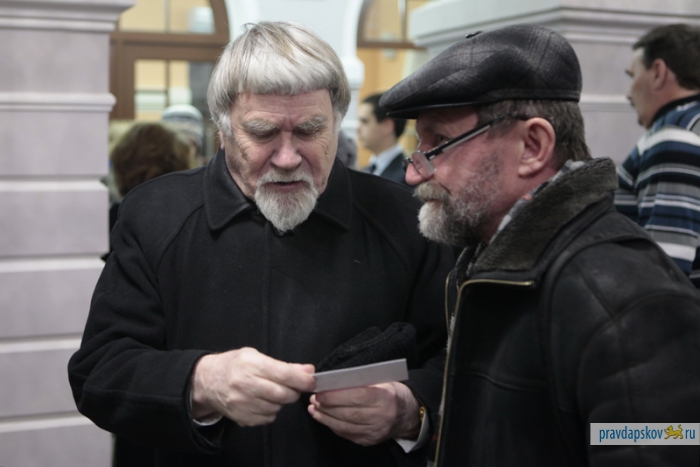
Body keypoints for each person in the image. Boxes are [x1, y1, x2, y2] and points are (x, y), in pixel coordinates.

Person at [68, 22, 453, 467]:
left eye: (309, 131)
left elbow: (458, 361)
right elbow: (99, 371)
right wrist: (202, 382)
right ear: (224, 129)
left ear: (337, 123)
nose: (287, 158)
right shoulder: (157, 216)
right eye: (263, 133)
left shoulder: (404, 219)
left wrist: (409, 410)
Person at [380, 24, 700, 466]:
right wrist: (411, 413)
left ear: (532, 146)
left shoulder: (621, 294)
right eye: (419, 146)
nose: (414, 171)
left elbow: (664, 439)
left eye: (439, 145)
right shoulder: (488, 262)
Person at [615, 24, 700, 288]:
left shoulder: (674, 135)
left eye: (632, 75)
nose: (628, 93)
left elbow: (665, 270)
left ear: (658, 73)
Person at [359, 92, 409, 185]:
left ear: (387, 126)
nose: (358, 129)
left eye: (365, 122)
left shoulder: (407, 177)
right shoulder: (365, 171)